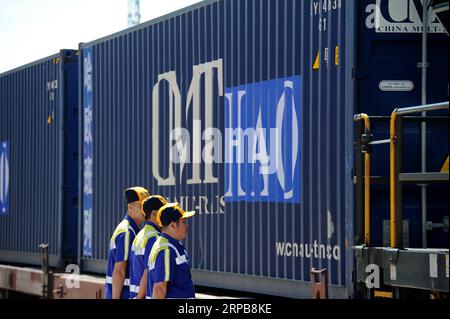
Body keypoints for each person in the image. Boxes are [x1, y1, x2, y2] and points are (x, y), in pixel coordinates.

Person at [105, 186, 150, 299]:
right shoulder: (127, 232)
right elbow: (119, 271)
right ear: (130, 207)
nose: (145, 210)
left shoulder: (131, 230)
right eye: (141, 206)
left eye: (146, 206)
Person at [147, 203, 196, 299]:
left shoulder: (171, 246)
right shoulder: (166, 250)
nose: (187, 226)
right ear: (173, 225)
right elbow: (159, 289)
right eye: (184, 222)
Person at [129, 195, 168, 299]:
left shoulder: (140, 235)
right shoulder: (154, 238)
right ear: (154, 213)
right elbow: (147, 271)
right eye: (162, 212)